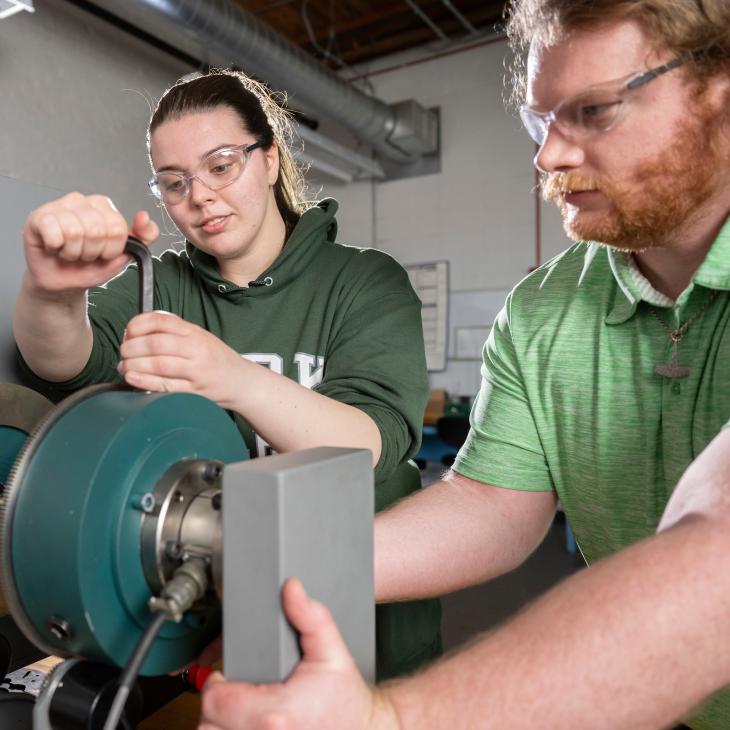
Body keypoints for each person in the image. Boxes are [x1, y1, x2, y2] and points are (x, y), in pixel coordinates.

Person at [196, 0, 730, 727]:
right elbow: (493, 506)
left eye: (594, 111)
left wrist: (397, 720)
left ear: (718, 89)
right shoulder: (543, 309)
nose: (549, 157)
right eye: (538, 122)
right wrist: (286, 561)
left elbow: (717, 562)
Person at [12, 70, 441, 680]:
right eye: (175, 183)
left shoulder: (364, 282)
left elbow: (369, 444)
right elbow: (65, 363)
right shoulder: (161, 285)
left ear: (269, 159)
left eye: (222, 165)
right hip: (218, 623)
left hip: (364, 628)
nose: (201, 197)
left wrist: (234, 377)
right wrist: (51, 292)